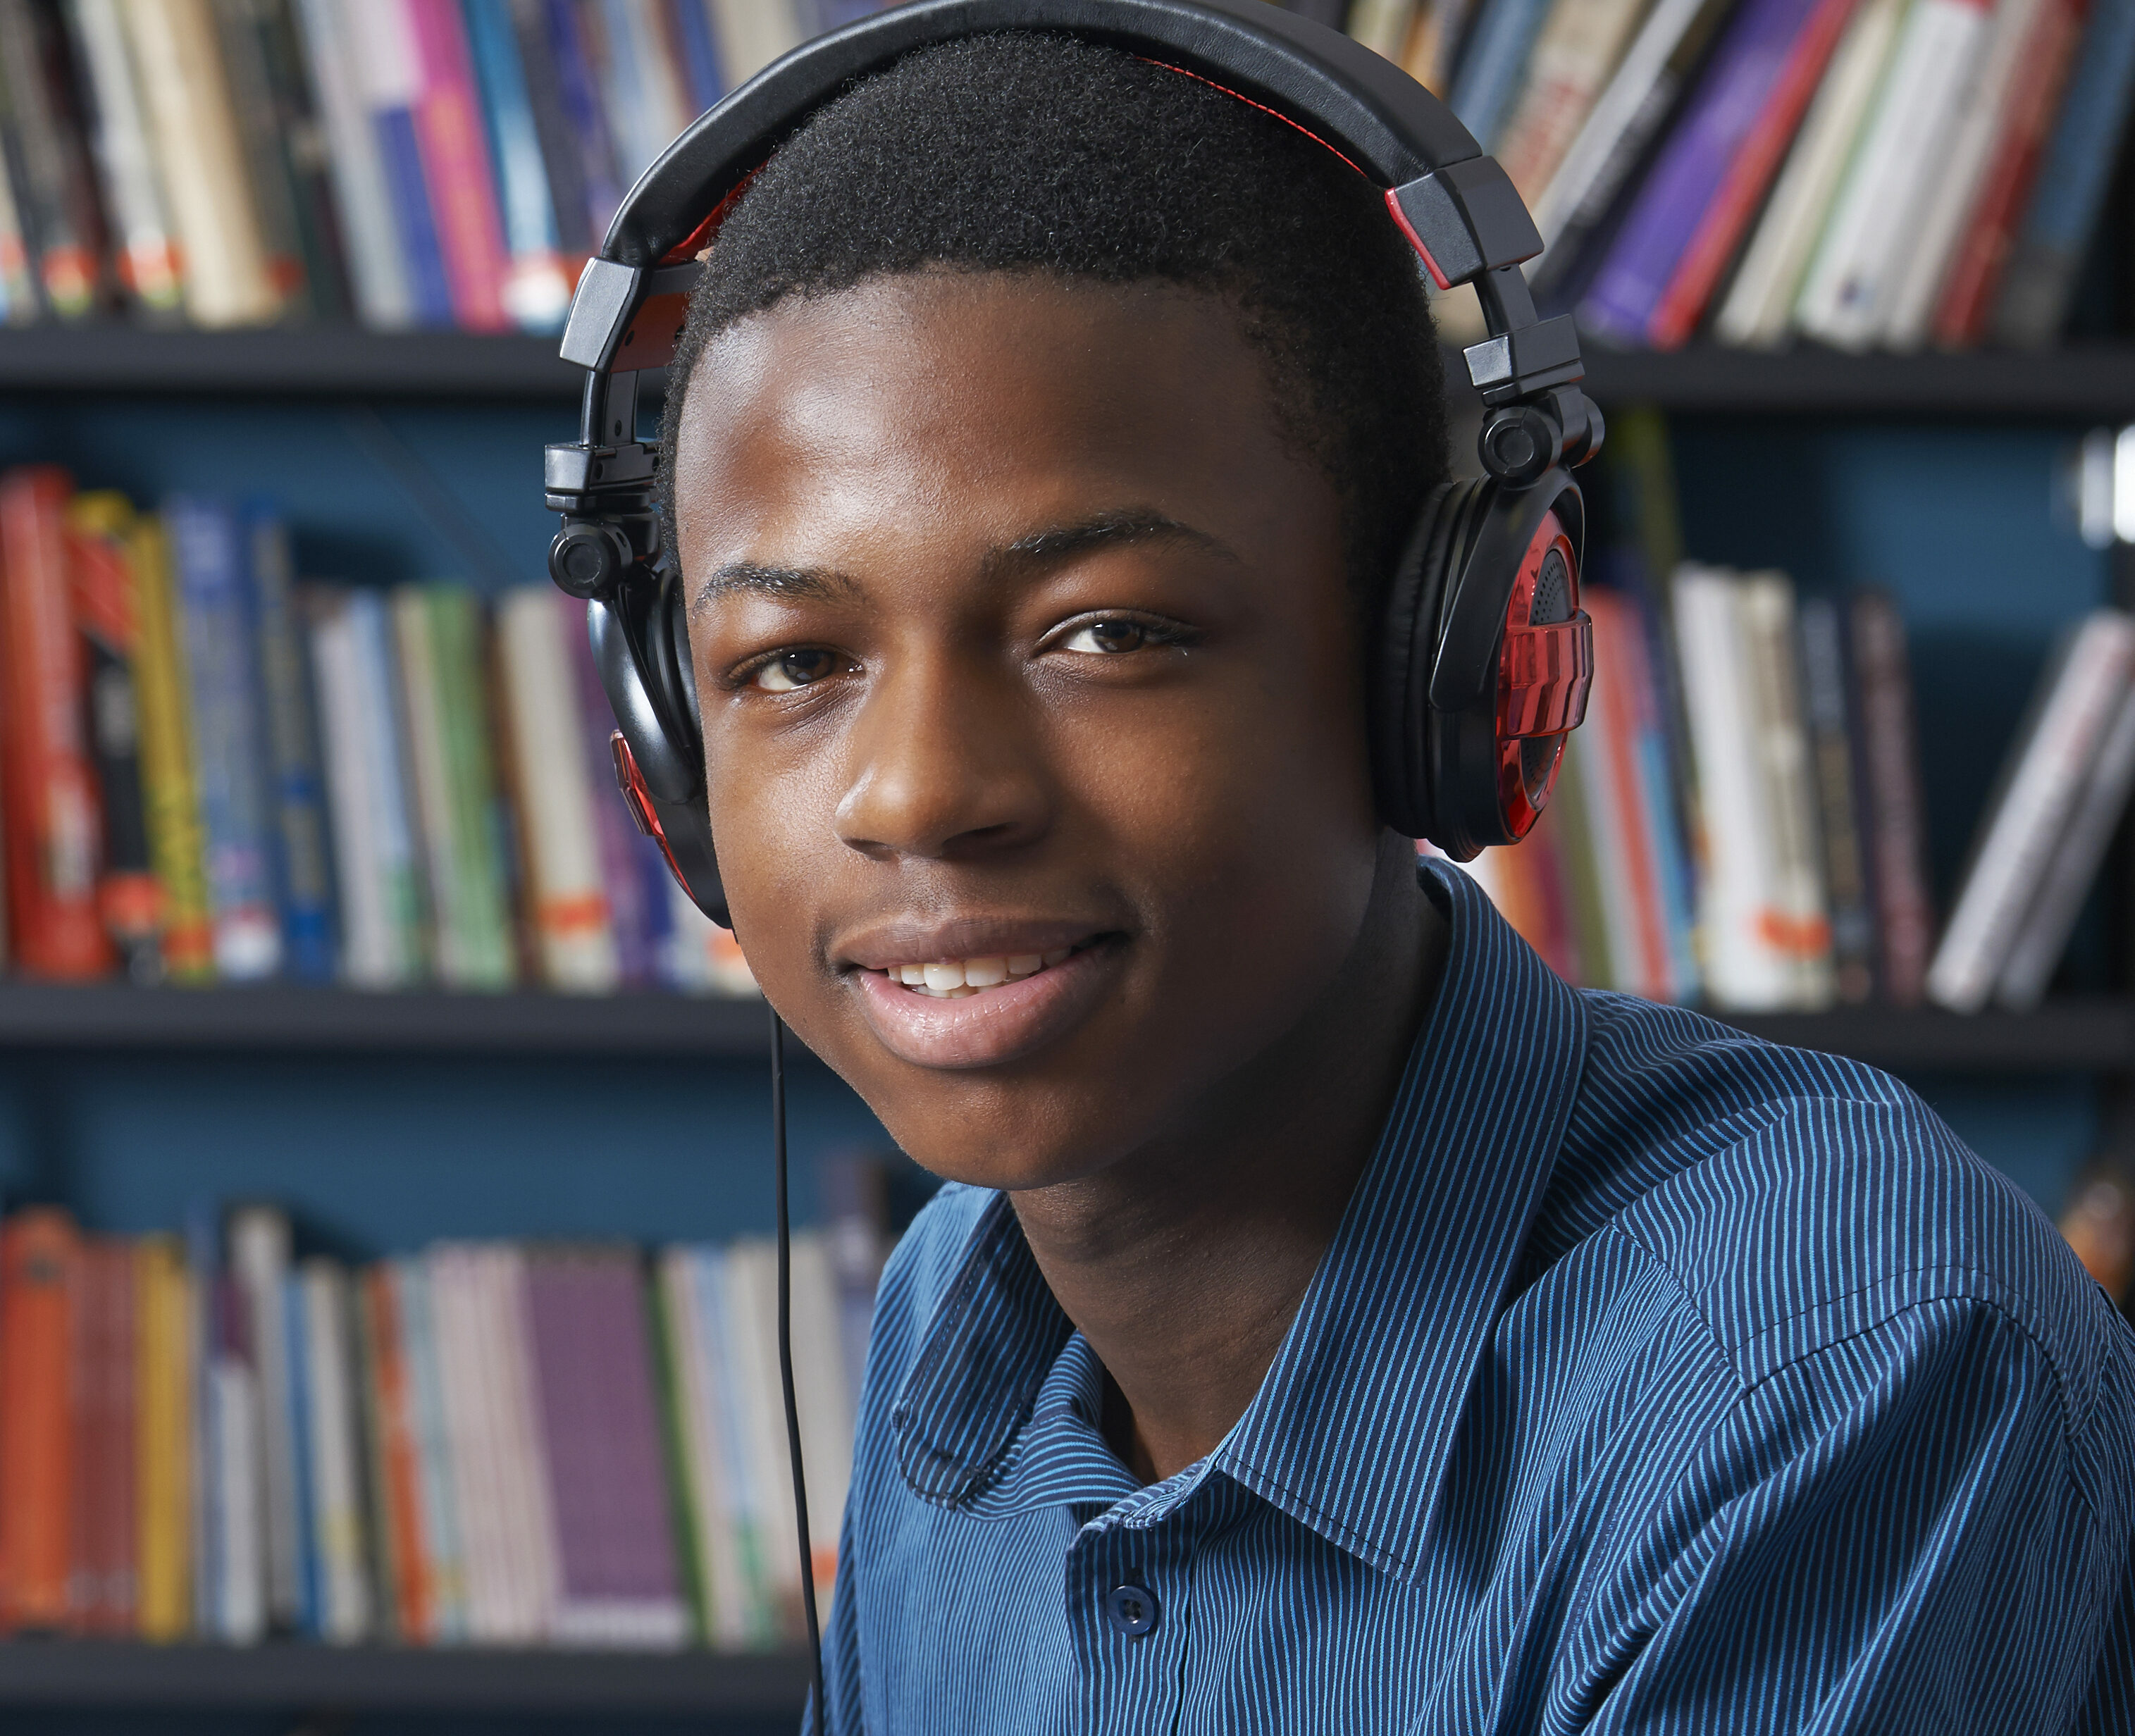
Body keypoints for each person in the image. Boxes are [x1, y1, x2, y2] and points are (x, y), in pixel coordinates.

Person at [655, 29, 2135, 1733]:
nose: (919, 788)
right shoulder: (960, 1305)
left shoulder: (1836, 1361)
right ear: (671, 751)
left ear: (1436, 672)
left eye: (1107, 632)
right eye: (792, 660)